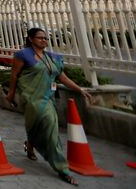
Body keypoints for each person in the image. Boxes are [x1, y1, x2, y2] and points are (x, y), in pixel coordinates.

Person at [6, 27, 93, 186]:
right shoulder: (23, 55)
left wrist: (80, 89)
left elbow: (63, 78)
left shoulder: (52, 58)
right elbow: (14, 75)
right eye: (40, 38)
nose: (44, 40)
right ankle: (55, 163)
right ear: (31, 39)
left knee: (48, 126)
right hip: (30, 96)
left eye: (46, 38)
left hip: (46, 98)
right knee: (38, 122)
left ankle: (60, 168)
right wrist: (11, 94)